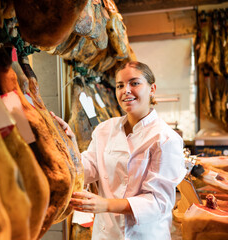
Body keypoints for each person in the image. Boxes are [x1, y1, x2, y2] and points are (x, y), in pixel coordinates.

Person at [52, 61, 187, 240]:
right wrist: (70, 144)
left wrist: (105, 205)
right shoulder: (105, 129)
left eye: (135, 83)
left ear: (152, 88)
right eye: (120, 85)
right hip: (106, 234)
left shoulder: (165, 139)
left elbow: (158, 202)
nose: (126, 90)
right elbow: (88, 169)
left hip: (146, 235)